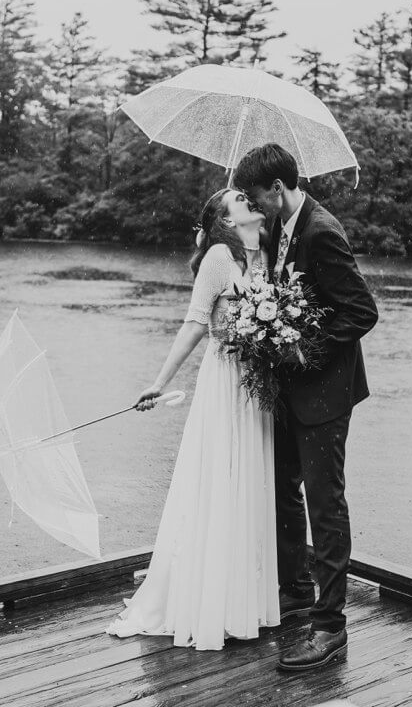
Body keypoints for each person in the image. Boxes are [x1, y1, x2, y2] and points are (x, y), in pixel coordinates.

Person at [106, 187, 279, 650]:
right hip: (224, 381)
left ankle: (244, 600)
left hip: (255, 385)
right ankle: (208, 603)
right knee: (218, 484)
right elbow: (195, 323)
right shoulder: (219, 257)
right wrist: (159, 383)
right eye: (240, 199)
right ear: (225, 219)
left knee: (248, 486)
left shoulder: (260, 253)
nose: (251, 201)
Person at [232, 143, 378, 672]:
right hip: (288, 390)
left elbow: (362, 311)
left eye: (256, 197)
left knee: (325, 504)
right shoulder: (277, 229)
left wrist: (303, 342)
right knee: (281, 492)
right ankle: (294, 594)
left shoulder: (322, 231)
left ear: (278, 188)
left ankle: (330, 626)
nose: (254, 206)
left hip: (326, 393)